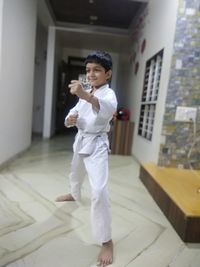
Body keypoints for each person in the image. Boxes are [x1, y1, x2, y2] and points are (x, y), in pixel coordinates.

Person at [56, 50, 118, 267]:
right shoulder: (87, 93)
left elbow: (107, 110)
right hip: (81, 140)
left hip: (97, 145)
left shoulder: (108, 94)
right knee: (75, 172)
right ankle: (74, 194)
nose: (91, 74)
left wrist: (85, 95)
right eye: (88, 70)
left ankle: (106, 240)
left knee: (99, 191)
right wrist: (70, 119)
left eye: (97, 70)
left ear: (108, 74)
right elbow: (72, 113)